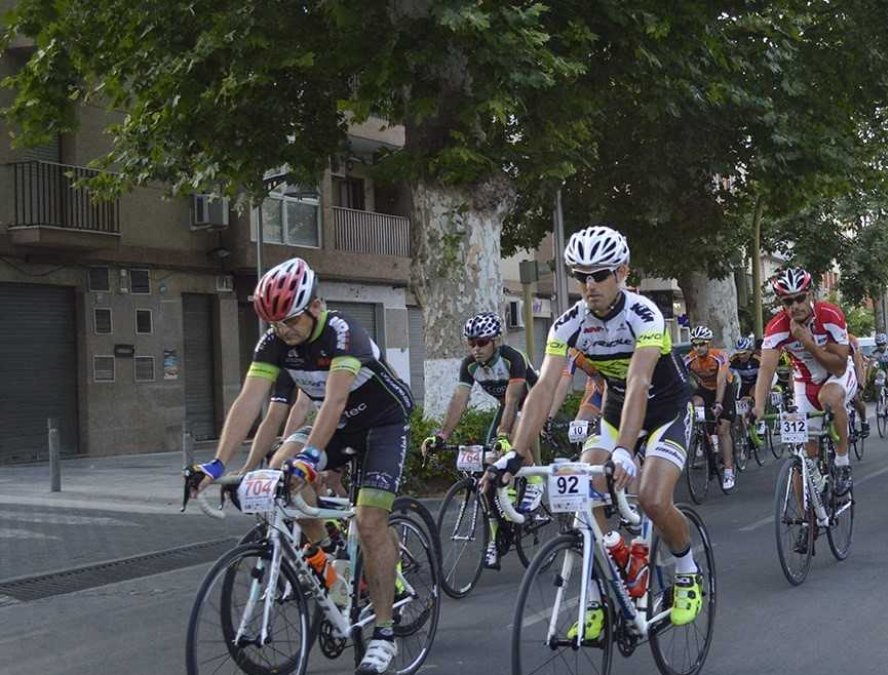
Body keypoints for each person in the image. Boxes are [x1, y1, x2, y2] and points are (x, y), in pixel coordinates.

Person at [189, 257, 416, 675]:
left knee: (368, 522)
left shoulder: (343, 333)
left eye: (290, 320)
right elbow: (249, 401)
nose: (284, 331)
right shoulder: (273, 343)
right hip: (341, 427)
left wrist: (311, 457)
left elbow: (334, 401)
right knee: (281, 472)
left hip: (382, 424)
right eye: (274, 323)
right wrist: (218, 466)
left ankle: (384, 632)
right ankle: (331, 556)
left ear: (315, 305)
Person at [485, 225, 703, 633]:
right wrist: (515, 452)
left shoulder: (645, 314)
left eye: (599, 274)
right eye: (580, 275)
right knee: (584, 497)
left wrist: (624, 449)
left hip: (666, 409)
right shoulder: (568, 324)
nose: (589, 285)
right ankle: (607, 585)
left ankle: (687, 571)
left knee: (653, 500)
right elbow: (544, 387)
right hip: (617, 411)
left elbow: (640, 381)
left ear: (622, 272)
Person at [421, 311, 540, 568]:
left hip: (532, 405)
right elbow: (460, 399)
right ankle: (496, 537)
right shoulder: (470, 365)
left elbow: (513, 400)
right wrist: (442, 435)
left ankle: (535, 480)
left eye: (482, 342)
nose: (476, 348)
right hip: (507, 407)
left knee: (510, 433)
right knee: (487, 475)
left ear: (496, 340)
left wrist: (502, 434)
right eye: (471, 343)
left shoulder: (512, 358)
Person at [752, 267, 857, 495]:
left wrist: (808, 343)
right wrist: (758, 406)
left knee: (828, 398)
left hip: (837, 376)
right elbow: (766, 368)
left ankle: (842, 462)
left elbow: (839, 366)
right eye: (788, 301)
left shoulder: (830, 315)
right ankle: (805, 524)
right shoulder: (777, 326)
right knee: (803, 457)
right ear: (781, 302)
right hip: (804, 383)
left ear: (810, 294)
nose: (795, 306)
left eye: (800, 298)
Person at [684, 325, 738, 491]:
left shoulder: (719, 356)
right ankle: (701, 433)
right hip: (706, 389)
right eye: (695, 344)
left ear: (708, 343)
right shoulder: (689, 359)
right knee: (695, 403)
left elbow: (721, 381)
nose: (698, 348)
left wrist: (719, 403)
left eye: (702, 344)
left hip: (725, 388)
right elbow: (681, 380)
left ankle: (729, 469)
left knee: (723, 430)